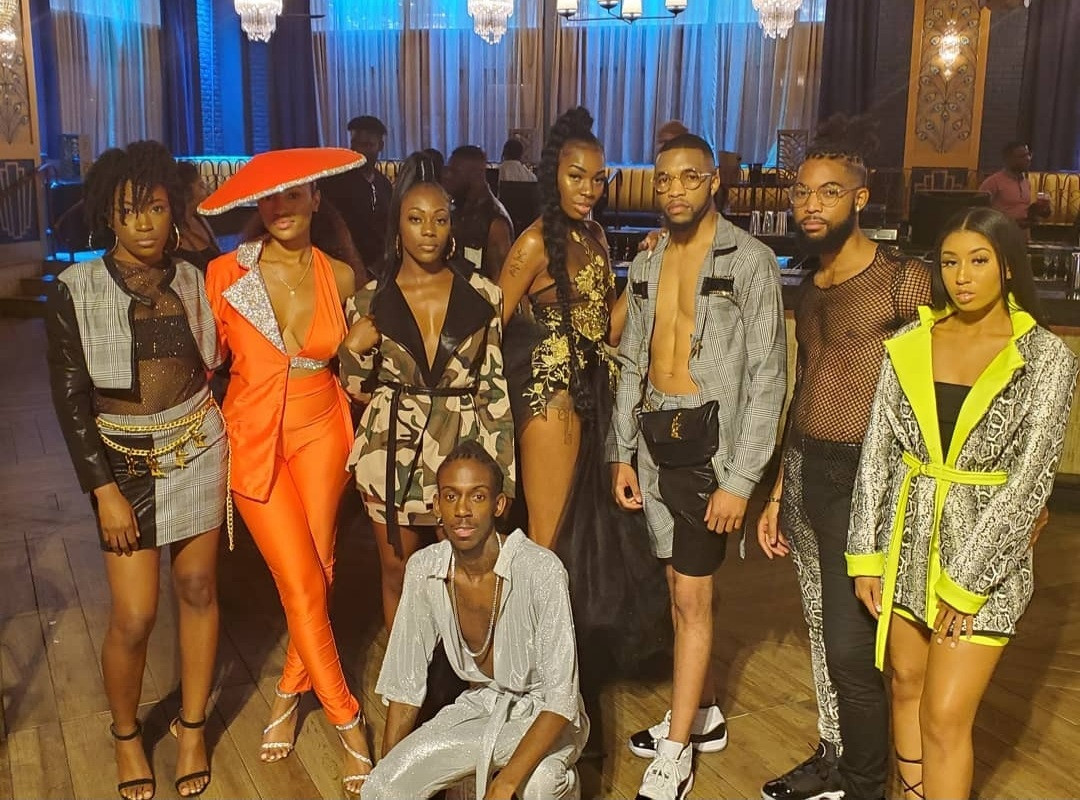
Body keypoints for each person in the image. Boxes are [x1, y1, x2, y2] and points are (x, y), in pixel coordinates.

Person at [847, 207, 1078, 800]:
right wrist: (866, 556)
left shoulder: (1046, 357)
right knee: (905, 686)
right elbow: (878, 452)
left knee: (945, 718)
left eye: (978, 261)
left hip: (985, 564)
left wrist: (966, 584)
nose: (962, 276)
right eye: (950, 262)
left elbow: (1029, 482)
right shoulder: (908, 343)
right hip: (906, 543)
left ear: (1008, 266)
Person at [754, 118, 933, 800]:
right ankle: (835, 754)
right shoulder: (811, 283)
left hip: (867, 480)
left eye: (829, 192)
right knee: (822, 629)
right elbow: (806, 386)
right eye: (802, 192)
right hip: (806, 472)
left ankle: (866, 784)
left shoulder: (903, 282)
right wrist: (778, 490)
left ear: (861, 197)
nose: (810, 205)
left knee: (854, 652)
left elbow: (942, 391)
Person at [46, 141, 227, 800]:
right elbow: (70, 399)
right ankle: (126, 735)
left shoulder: (196, 277)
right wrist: (103, 491)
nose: (144, 223)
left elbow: (225, 357)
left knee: (199, 586)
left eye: (155, 207)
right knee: (134, 615)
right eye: (129, 211)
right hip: (121, 463)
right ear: (108, 216)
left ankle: (193, 728)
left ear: (173, 210)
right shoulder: (76, 290)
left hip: (197, 444)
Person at [610, 133, 788, 800]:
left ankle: (676, 751)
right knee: (676, 589)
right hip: (655, 441)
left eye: (690, 177)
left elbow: (769, 377)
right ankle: (704, 714)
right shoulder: (649, 261)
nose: (675, 189)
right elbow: (633, 358)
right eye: (664, 179)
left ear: (714, 182)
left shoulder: (752, 260)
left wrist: (741, 481)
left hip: (711, 451)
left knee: (691, 597)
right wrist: (621, 451)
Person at [498, 107, 672, 757]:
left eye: (599, 179)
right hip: (549, 400)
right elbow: (492, 328)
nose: (590, 190)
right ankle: (541, 693)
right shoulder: (532, 243)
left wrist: (646, 270)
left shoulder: (596, 236)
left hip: (594, 394)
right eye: (577, 176)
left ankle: (564, 689)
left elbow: (609, 327)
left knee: (582, 545)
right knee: (549, 549)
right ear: (554, 175)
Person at [201, 148, 373, 796]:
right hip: (254, 440)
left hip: (323, 430)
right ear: (257, 204)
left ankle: (286, 691)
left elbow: (355, 359)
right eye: (270, 197)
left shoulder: (340, 275)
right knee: (300, 581)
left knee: (320, 571)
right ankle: (346, 717)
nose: (281, 207)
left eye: (294, 194)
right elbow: (204, 362)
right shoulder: (224, 274)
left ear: (316, 199)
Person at [339, 151, 516, 634]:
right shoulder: (368, 301)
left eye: (440, 219)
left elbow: (494, 387)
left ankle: (461, 670)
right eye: (416, 219)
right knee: (397, 571)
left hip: (461, 445)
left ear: (452, 227)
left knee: (464, 568)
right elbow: (358, 390)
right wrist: (351, 350)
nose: (429, 230)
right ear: (398, 228)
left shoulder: (485, 295)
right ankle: (407, 670)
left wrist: (502, 474)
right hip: (391, 446)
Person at [362, 440, 588, 800]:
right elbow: (405, 685)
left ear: (498, 505)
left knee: (540, 784)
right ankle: (473, 775)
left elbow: (561, 701)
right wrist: (393, 772)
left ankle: (560, 784)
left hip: (545, 719)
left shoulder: (541, 569)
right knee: (380, 789)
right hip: (480, 711)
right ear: (436, 505)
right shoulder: (425, 568)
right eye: (451, 496)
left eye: (477, 496)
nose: (462, 510)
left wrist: (504, 785)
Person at [320, 115, 394, 271]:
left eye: (367, 145)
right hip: (345, 267)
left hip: (380, 267)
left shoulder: (384, 185)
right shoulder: (334, 183)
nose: (360, 151)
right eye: (355, 144)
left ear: (380, 146)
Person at [443, 145, 514, 280]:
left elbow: (502, 281)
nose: (447, 176)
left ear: (474, 175)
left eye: (454, 172)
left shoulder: (496, 223)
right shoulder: (456, 209)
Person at [978, 141, 1051, 234]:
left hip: (1023, 235)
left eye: (1028, 155)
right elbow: (979, 210)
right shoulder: (993, 182)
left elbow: (1022, 209)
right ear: (1008, 160)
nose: (1028, 159)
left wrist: (1038, 210)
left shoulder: (1026, 182)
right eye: (1022, 156)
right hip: (1002, 234)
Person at [174, 162, 221, 272]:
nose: (207, 192)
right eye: (201, 186)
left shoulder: (200, 220)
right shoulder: (171, 233)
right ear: (188, 192)